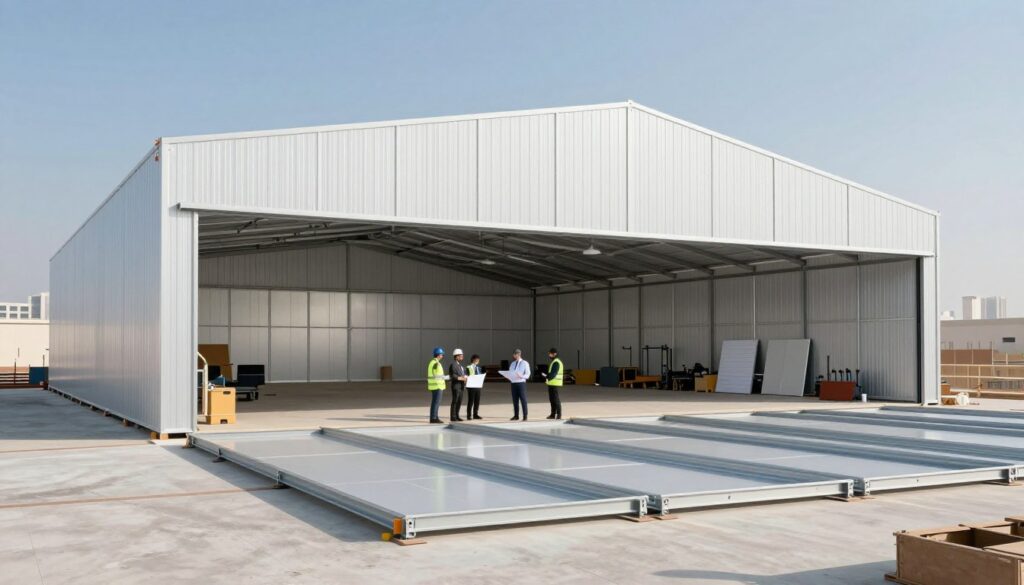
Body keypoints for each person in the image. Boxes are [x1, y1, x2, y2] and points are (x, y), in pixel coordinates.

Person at [507, 348, 531, 421]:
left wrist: (522, 376)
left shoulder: (525, 363)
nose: (514, 356)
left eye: (515, 354)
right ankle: (516, 415)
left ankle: (525, 415)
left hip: (521, 383)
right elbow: (510, 372)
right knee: (515, 400)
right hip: (513, 383)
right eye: (514, 354)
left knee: (523, 399)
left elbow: (528, 374)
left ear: (519, 354)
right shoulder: (512, 363)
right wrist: (508, 376)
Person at [541, 347, 564, 419]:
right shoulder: (554, 361)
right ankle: (552, 414)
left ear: (555, 354)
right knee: (552, 400)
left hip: (555, 383)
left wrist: (547, 377)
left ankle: (559, 415)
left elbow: (554, 373)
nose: (549, 355)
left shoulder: (556, 362)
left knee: (555, 399)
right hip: (552, 383)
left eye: (550, 354)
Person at [426, 347, 446, 423]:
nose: (442, 356)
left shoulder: (433, 362)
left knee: (435, 402)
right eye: (442, 354)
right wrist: (444, 377)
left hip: (435, 385)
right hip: (437, 386)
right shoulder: (435, 363)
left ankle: (435, 416)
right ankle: (433, 418)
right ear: (438, 355)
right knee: (436, 402)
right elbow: (435, 374)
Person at [448, 348, 468, 422]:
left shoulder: (461, 366)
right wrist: (461, 378)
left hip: (461, 386)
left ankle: (457, 415)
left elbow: (464, 374)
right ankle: (453, 417)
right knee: (455, 401)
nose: (462, 357)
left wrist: (466, 378)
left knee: (459, 401)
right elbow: (453, 375)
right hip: (456, 386)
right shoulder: (453, 365)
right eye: (461, 355)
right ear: (456, 356)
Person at [465, 354, 485, 420]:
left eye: (478, 360)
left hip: (478, 386)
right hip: (471, 386)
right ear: (473, 360)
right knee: (471, 401)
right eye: (476, 359)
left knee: (477, 401)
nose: (477, 361)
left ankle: (475, 414)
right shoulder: (468, 367)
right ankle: (469, 415)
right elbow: (466, 376)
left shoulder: (479, 368)